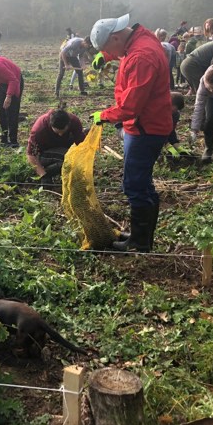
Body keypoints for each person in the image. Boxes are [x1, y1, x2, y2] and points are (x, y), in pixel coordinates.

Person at [89, 14, 173, 252]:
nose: (111, 54)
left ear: (116, 37)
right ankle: (142, 235)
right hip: (146, 124)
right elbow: (120, 49)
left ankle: (139, 242)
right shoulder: (140, 37)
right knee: (142, 183)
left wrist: (103, 116)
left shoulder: (141, 57)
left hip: (145, 128)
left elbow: (130, 107)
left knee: (134, 184)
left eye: (108, 48)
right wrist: (104, 55)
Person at [26, 107, 86, 186]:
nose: (60, 135)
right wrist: (43, 175)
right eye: (57, 133)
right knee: (68, 157)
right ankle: (46, 172)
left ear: (68, 124)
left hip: (64, 148)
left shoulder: (74, 122)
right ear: (51, 125)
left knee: (74, 157)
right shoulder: (39, 129)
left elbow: (80, 144)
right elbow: (31, 155)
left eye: (63, 132)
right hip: (44, 154)